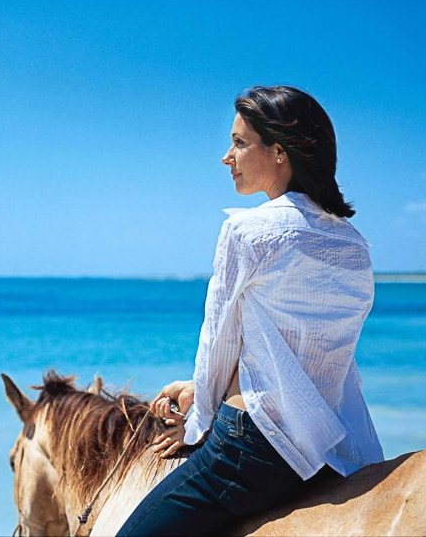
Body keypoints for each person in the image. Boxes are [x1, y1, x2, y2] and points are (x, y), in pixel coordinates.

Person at [116, 85, 385, 536]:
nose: (227, 156)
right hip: (334, 448)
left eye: (240, 143)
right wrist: (195, 387)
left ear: (279, 152)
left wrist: (197, 421)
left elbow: (217, 339)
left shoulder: (249, 232)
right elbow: (309, 350)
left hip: (254, 447)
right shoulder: (354, 244)